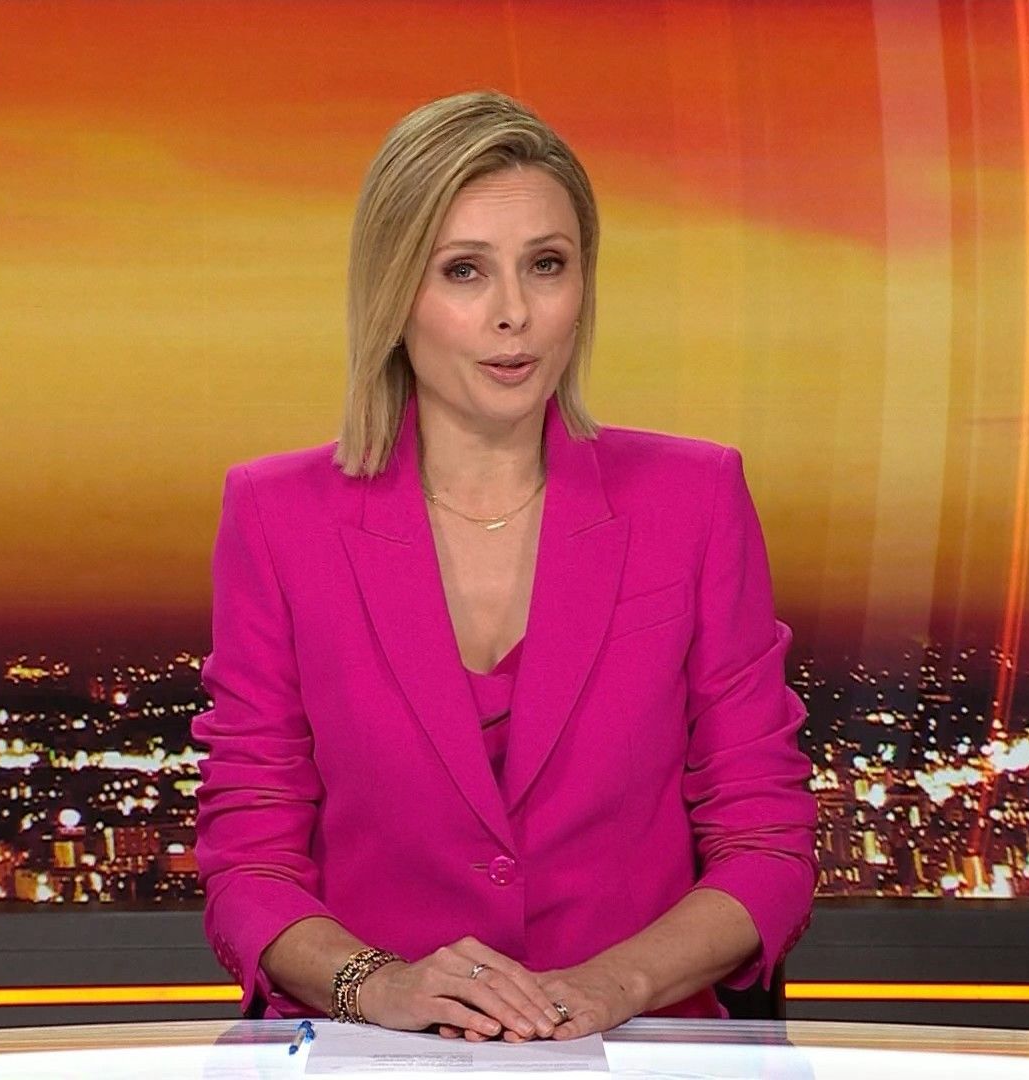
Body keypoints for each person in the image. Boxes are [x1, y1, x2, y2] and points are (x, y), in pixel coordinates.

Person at [192, 89, 816, 1043]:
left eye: (546, 265)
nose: (514, 313)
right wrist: (379, 985)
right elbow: (249, 861)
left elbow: (767, 843)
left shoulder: (695, 498)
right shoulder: (277, 516)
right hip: (378, 1056)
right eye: (465, 271)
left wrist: (610, 987)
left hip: (638, 1050)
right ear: (394, 294)